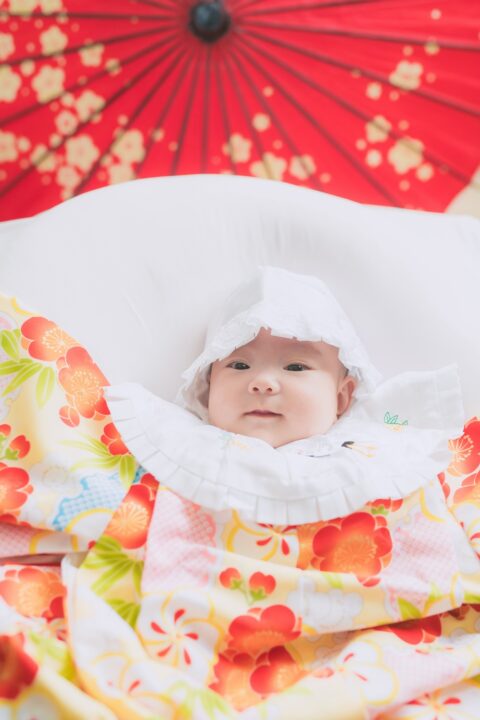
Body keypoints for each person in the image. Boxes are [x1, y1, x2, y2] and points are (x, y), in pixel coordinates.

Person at [105, 265, 464, 524]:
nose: (262, 383)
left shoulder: (370, 439)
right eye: (239, 365)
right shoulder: (177, 441)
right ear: (207, 386)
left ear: (341, 398)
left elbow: (417, 450)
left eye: (295, 367)